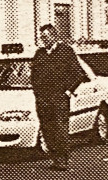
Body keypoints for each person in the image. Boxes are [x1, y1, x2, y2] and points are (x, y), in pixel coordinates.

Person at [29, 24, 90, 171]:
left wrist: (68, 91)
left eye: (46, 36)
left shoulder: (66, 51)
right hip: (43, 98)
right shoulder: (40, 53)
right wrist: (37, 91)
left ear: (54, 36)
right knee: (47, 128)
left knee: (60, 128)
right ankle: (55, 158)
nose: (44, 39)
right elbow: (34, 74)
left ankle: (62, 159)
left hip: (59, 97)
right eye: (42, 37)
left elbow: (79, 74)